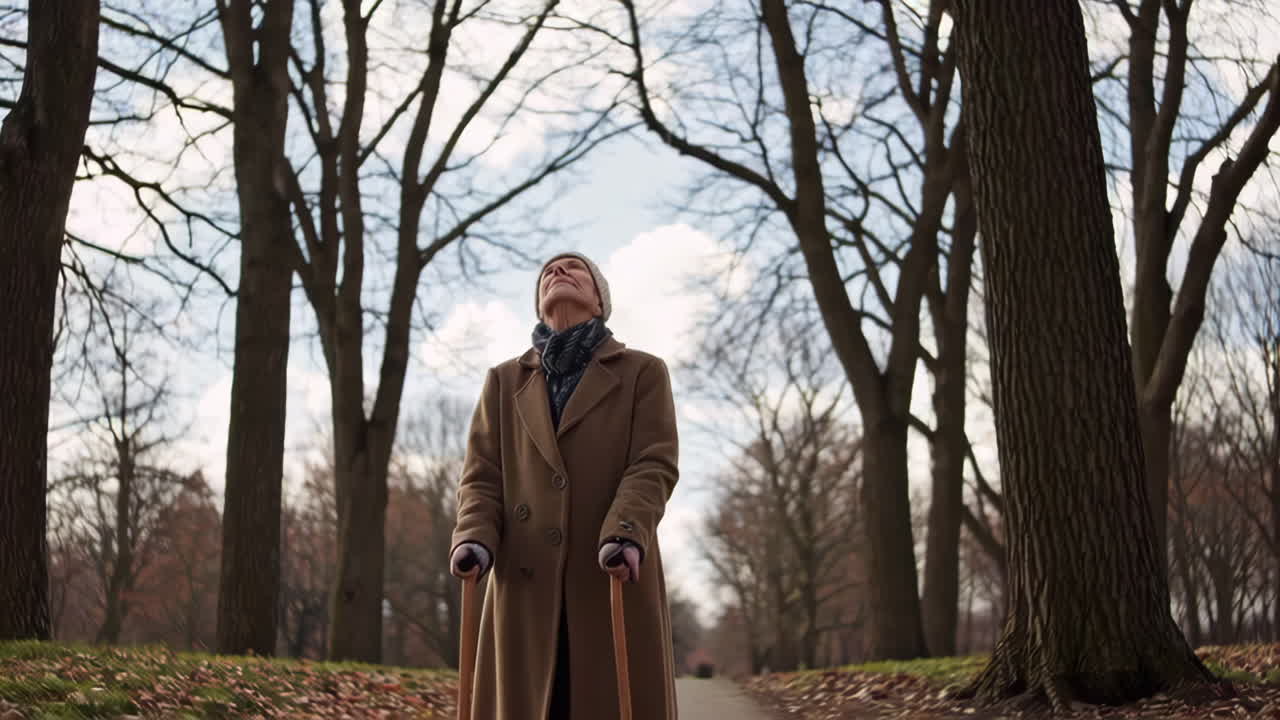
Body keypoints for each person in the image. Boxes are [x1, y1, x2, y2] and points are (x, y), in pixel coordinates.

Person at [449, 251, 680, 720]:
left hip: (608, 570)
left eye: (574, 268)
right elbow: (482, 475)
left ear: (599, 300)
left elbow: (653, 462)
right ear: (539, 306)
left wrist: (626, 531)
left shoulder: (642, 371)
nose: (558, 272)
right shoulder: (502, 380)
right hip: (523, 581)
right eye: (548, 273)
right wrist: (474, 535)